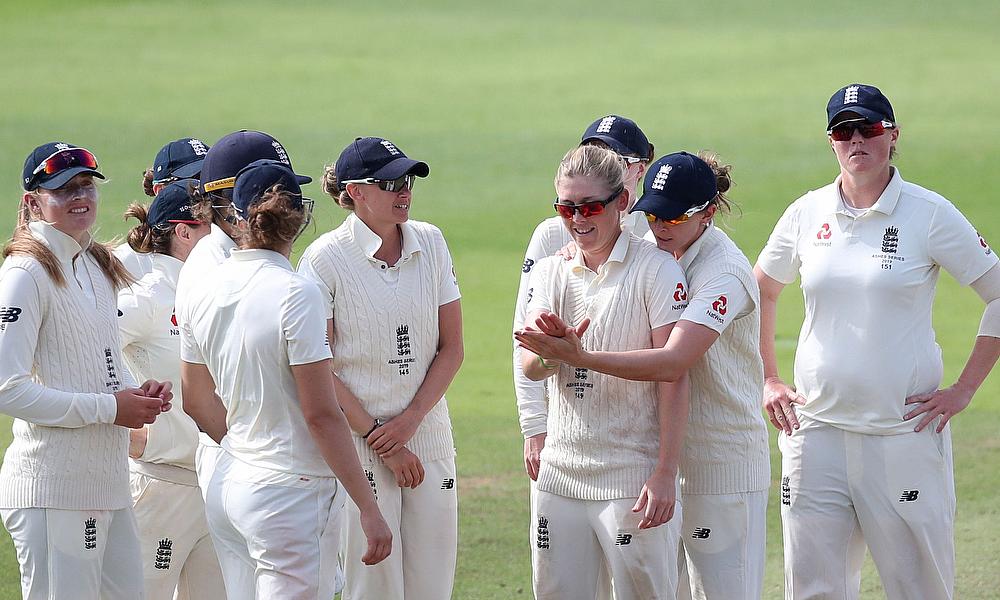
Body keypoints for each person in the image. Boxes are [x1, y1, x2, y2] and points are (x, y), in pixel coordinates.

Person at [754, 83, 1000, 599]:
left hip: (901, 432)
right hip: (815, 431)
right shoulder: (807, 212)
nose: (856, 140)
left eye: (868, 128)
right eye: (843, 131)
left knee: (920, 588)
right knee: (813, 589)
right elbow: (761, 289)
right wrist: (769, 378)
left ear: (892, 136)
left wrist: (963, 391)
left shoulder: (928, 213)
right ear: (831, 143)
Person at [516, 151, 770, 600]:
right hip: (655, 456)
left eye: (673, 217)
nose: (658, 226)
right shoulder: (652, 249)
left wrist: (580, 356)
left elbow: (673, 364)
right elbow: (607, 239)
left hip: (718, 458)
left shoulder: (723, 271)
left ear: (708, 214)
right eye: (652, 214)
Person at [178, 159, 391, 598]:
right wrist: (369, 508)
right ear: (299, 217)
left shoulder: (205, 289)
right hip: (291, 493)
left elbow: (196, 401)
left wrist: (248, 452)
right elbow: (321, 415)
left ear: (237, 216)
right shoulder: (297, 293)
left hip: (230, 484)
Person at [0, 142, 172, 600]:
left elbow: (102, 364)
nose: (80, 196)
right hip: (53, 488)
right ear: (32, 202)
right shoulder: (25, 273)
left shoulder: (97, 264)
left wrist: (138, 394)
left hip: (107, 484)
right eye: (63, 189)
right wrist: (110, 407)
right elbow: (6, 389)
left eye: (86, 186)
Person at [518, 144, 688, 600]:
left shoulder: (657, 271)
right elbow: (531, 367)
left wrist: (666, 471)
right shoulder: (551, 272)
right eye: (566, 207)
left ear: (623, 203)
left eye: (590, 206)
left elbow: (673, 374)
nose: (578, 219)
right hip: (561, 473)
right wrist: (556, 353)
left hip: (631, 476)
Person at [297, 136, 463, 600]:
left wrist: (409, 423)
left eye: (406, 181)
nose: (403, 191)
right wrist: (380, 438)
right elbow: (320, 367)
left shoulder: (430, 241)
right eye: (389, 183)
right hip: (359, 446)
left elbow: (452, 348)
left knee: (432, 585)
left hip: (427, 435)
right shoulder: (324, 259)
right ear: (355, 192)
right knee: (374, 586)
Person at [514, 116, 655, 486]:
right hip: (565, 434)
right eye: (593, 153)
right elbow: (525, 336)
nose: (601, 164)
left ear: (639, 170)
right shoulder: (552, 234)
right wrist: (533, 426)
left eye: (615, 159)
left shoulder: (660, 233)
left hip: (638, 439)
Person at [175, 129, 311, 506]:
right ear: (232, 199)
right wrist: (248, 457)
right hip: (255, 461)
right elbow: (199, 397)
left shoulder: (240, 256)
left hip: (255, 462)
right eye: (274, 195)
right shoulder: (215, 267)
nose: (286, 209)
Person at [117, 180, 225, 599]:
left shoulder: (210, 293)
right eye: (209, 226)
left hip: (214, 482)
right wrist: (121, 423)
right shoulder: (148, 298)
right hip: (161, 488)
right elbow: (66, 350)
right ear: (183, 232)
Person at [116, 137, 211, 278]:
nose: (203, 188)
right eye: (193, 179)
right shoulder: (125, 263)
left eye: (210, 179)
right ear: (160, 190)